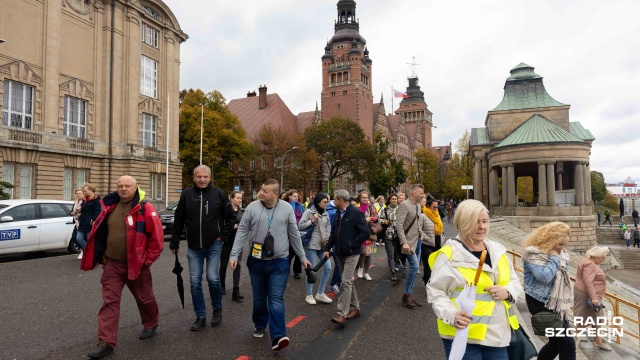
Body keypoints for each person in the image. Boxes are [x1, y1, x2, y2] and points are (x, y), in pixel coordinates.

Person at [427, 199, 522, 359]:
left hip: (497, 335)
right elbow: (436, 292)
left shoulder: (497, 251)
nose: (482, 226)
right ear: (463, 223)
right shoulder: (449, 255)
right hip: (463, 335)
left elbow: (514, 280)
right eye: (475, 222)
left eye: (484, 221)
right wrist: (452, 315)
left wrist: (507, 291)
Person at [81, 176, 164, 359]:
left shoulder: (145, 209)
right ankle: (106, 342)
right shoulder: (109, 207)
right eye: (120, 186)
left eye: (127, 186)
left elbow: (157, 241)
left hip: (137, 265)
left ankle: (151, 323)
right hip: (113, 264)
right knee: (109, 302)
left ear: (135, 188)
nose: (124, 189)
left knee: (145, 298)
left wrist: (146, 262)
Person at [229, 179, 311, 352]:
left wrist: (302, 257)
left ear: (275, 194)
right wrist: (234, 254)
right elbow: (242, 230)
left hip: (279, 262)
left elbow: (294, 234)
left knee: (275, 298)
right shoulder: (252, 207)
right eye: (261, 190)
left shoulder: (286, 208)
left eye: (265, 191)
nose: (261, 193)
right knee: (259, 298)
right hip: (256, 261)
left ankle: (279, 336)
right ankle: (260, 324)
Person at [170, 165, 235, 331]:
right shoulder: (187, 194)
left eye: (205, 176)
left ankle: (217, 309)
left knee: (213, 278)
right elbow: (179, 219)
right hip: (193, 247)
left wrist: (223, 236)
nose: (202, 179)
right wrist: (174, 241)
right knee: (194, 282)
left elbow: (231, 217)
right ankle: (200, 315)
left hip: (214, 244)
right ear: (194, 178)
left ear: (210, 177)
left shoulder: (218, 194)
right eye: (199, 177)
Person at [522, 221, 575, 360]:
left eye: (564, 245)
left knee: (556, 344)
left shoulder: (560, 254)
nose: (562, 248)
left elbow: (563, 280)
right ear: (549, 239)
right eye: (560, 244)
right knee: (568, 345)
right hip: (540, 302)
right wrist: (553, 259)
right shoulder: (532, 253)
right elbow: (544, 277)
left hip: (556, 303)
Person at [323, 189, 370, 326]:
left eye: (335, 199)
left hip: (352, 254)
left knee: (344, 282)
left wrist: (352, 244)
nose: (333, 201)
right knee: (348, 281)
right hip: (339, 252)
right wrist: (328, 249)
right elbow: (333, 233)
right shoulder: (338, 213)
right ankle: (355, 308)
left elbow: (365, 232)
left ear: (341, 200)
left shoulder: (355, 213)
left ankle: (341, 313)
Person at [574, 246, 611, 351]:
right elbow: (588, 282)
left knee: (597, 318)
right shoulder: (590, 264)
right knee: (585, 319)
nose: (603, 260)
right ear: (596, 257)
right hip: (589, 295)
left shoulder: (587, 261)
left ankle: (597, 340)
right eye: (602, 258)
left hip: (588, 294)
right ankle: (571, 344)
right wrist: (594, 299)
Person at [298, 193, 332, 305]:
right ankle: (309, 294)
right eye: (324, 202)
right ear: (318, 202)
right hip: (311, 245)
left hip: (322, 245)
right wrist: (311, 220)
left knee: (328, 268)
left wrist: (327, 242)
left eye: (327, 202)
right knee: (311, 270)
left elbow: (328, 229)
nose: (326, 204)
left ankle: (320, 293)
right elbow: (300, 226)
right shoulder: (309, 212)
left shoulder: (326, 214)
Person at [396, 184, 425, 309]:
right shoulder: (404, 205)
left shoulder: (418, 206)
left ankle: (409, 295)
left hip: (417, 240)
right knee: (413, 267)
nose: (422, 195)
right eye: (421, 193)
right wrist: (404, 242)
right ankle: (406, 295)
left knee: (415, 267)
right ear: (414, 193)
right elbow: (399, 225)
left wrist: (421, 234)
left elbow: (417, 223)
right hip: (408, 243)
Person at [219, 191, 245, 301]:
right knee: (223, 263)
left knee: (237, 264)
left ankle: (236, 290)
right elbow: (220, 225)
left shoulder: (243, 212)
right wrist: (231, 226)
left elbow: (245, 225)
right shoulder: (225, 211)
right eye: (238, 198)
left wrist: (238, 226)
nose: (240, 200)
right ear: (231, 198)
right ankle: (222, 286)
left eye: (241, 198)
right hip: (226, 240)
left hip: (238, 241)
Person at [76, 183, 102, 259]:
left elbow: (97, 211)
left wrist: (95, 221)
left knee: (89, 240)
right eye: (83, 191)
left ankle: (91, 254)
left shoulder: (97, 200)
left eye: (85, 191)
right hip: (83, 222)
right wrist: (80, 210)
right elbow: (84, 210)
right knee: (79, 238)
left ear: (91, 190)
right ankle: (88, 251)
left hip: (91, 223)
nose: (84, 193)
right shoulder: (85, 199)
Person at [354, 190, 376, 281]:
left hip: (369, 233)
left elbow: (376, 217)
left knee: (369, 254)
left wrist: (370, 218)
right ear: (360, 198)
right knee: (362, 253)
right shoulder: (356, 207)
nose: (365, 199)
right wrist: (363, 220)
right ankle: (360, 268)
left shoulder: (371, 207)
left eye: (366, 197)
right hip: (359, 233)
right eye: (363, 197)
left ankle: (366, 272)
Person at [284, 189, 304, 279]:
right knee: (290, 252)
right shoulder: (287, 205)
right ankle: (285, 269)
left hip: (299, 231)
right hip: (289, 231)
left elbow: (303, 215)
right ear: (289, 196)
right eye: (294, 196)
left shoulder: (300, 205)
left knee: (298, 252)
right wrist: (292, 204)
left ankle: (297, 271)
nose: (296, 198)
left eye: (297, 196)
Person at [420, 196, 440, 284]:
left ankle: (432, 282)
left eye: (437, 207)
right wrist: (426, 237)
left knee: (436, 266)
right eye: (434, 207)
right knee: (428, 266)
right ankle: (428, 284)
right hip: (427, 244)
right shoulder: (423, 216)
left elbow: (440, 229)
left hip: (437, 243)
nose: (436, 209)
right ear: (428, 206)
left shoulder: (437, 215)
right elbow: (419, 230)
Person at [379, 193, 400, 280]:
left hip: (399, 234)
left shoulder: (401, 209)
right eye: (393, 199)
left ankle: (395, 262)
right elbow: (379, 218)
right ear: (389, 200)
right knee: (390, 253)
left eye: (395, 199)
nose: (394, 200)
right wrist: (384, 221)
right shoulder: (385, 210)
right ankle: (393, 271)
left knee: (397, 253)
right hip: (388, 234)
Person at [325, 191, 342, 294]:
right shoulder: (332, 211)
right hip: (334, 240)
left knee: (338, 264)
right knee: (338, 263)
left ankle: (333, 284)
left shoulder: (338, 210)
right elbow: (331, 228)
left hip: (338, 240)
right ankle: (339, 284)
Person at [70, 189, 85, 259]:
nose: (78, 195)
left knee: (80, 238)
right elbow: (72, 211)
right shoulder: (75, 202)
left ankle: (85, 251)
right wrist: (72, 213)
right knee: (74, 238)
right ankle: (83, 250)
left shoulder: (84, 202)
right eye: (77, 193)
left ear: (83, 194)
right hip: (77, 223)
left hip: (83, 223)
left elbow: (86, 212)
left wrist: (80, 211)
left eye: (80, 193)